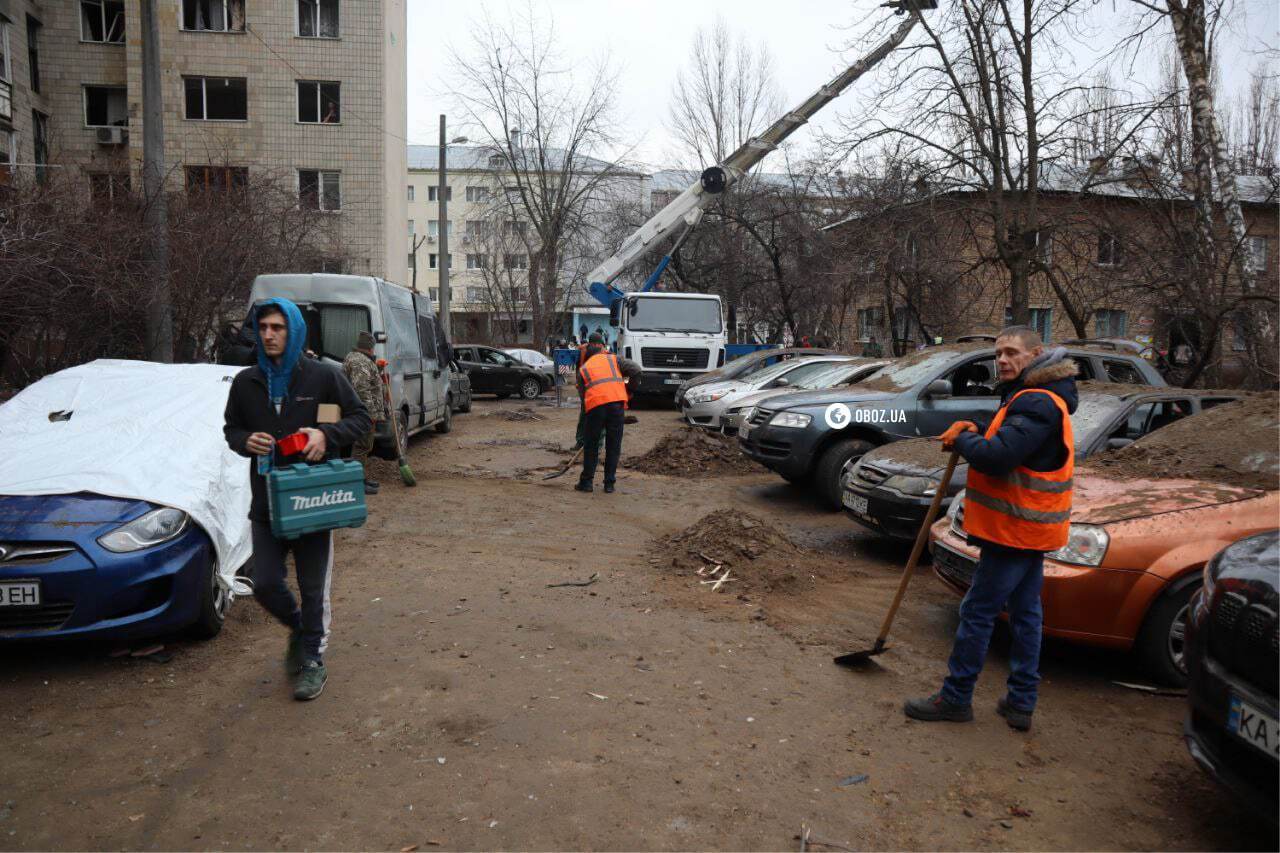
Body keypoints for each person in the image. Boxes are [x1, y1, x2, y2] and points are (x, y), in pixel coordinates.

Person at [903, 326, 1078, 732]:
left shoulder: (1037, 403)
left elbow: (999, 458)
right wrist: (977, 432)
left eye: (1012, 353)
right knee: (1025, 615)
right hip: (1025, 531)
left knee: (977, 612)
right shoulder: (1035, 398)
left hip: (1014, 533)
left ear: (1037, 355)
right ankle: (1020, 703)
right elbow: (1015, 449)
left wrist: (964, 442)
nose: (1002, 360)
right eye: (998, 353)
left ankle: (956, 697)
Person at [223, 298, 372, 701]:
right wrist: (244, 441)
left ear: (293, 331)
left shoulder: (322, 377)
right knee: (265, 582)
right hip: (268, 502)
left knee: (312, 589)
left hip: (313, 501)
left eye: (278, 327)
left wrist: (326, 435)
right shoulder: (246, 383)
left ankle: (311, 661)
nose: (269, 335)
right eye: (264, 327)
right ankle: (300, 629)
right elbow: (232, 428)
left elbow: (361, 419)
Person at [575, 340, 641, 494]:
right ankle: (609, 484)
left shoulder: (583, 369)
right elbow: (636, 370)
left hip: (595, 408)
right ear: (601, 351)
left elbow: (584, 399)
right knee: (613, 446)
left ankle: (586, 483)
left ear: (588, 356)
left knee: (591, 445)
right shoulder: (614, 359)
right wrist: (629, 390)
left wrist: (592, 419)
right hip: (617, 407)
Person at [342, 330, 387, 495]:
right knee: (362, 446)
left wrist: (378, 370)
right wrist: (371, 415)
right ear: (370, 347)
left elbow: (366, 381)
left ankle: (360, 477)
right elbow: (362, 389)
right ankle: (356, 482)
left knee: (362, 446)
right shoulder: (361, 362)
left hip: (357, 411)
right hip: (362, 413)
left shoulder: (356, 359)